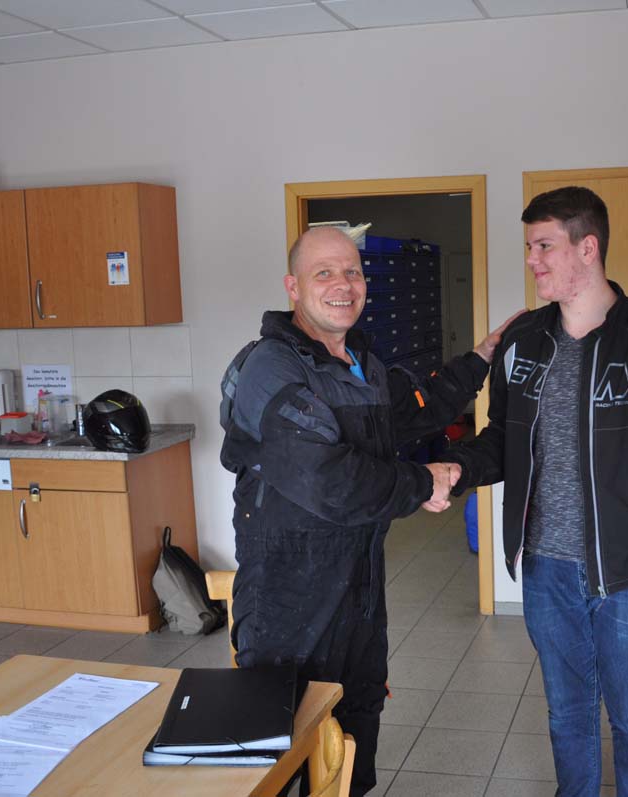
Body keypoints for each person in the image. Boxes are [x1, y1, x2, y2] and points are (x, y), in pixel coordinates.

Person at [441, 186, 628, 796]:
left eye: (544, 246)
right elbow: (502, 441)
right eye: (529, 247)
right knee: (567, 715)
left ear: (588, 247)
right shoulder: (523, 342)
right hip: (546, 570)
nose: (532, 260)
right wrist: (454, 470)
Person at [219, 227, 514, 796]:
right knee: (285, 755)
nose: (343, 285)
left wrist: (480, 359)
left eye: (352, 272)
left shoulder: (361, 364)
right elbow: (329, 479)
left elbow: (417, 407)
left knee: (353, 740)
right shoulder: (273, 370)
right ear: (293, 287)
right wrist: (421, 482)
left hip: (358, 592)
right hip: (287, 603)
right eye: (324, 273)